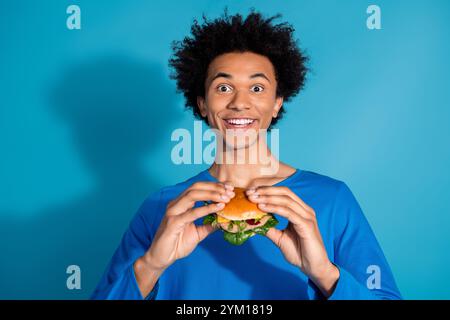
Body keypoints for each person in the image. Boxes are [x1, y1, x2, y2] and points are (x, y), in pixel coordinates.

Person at [91, 9, 402, 300]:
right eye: (223, 87)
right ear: (202, 103)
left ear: (277, 102)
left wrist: (324, 273)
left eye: (257, 88)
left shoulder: (332, 200)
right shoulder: (161, 208)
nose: (240, 103)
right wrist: (151, 265)